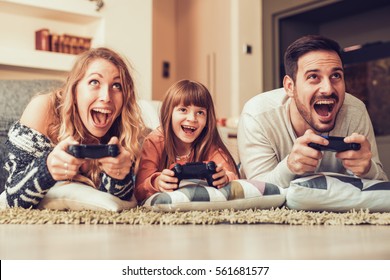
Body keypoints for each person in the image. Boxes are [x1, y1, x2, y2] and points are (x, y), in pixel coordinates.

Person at [238, 34, 388, 188]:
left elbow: (381, 186)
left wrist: (368, 169)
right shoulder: (257, 115)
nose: (328, 89)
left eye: (336, 75)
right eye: (313, 76)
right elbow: (259, 191)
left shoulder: (355, 111)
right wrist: (289, 166)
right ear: (290, 86)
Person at [4, 47, 145, 208]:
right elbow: (12, 199)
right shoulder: (43, 108)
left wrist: (118, 176)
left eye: (117, 86)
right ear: (74, 89)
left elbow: (116, 204)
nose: (106, 97)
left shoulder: (125, 129)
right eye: (94, 82)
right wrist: (47, 168)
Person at [135, 79, 239, 203]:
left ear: (207, 120)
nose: (192, 119)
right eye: (183, 110)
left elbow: (235, 179)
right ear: (169, 113)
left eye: (200, 112)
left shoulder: (209, 143)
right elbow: (139, 189)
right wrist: (157, 182)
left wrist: (225, 177)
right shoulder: (154, 141)